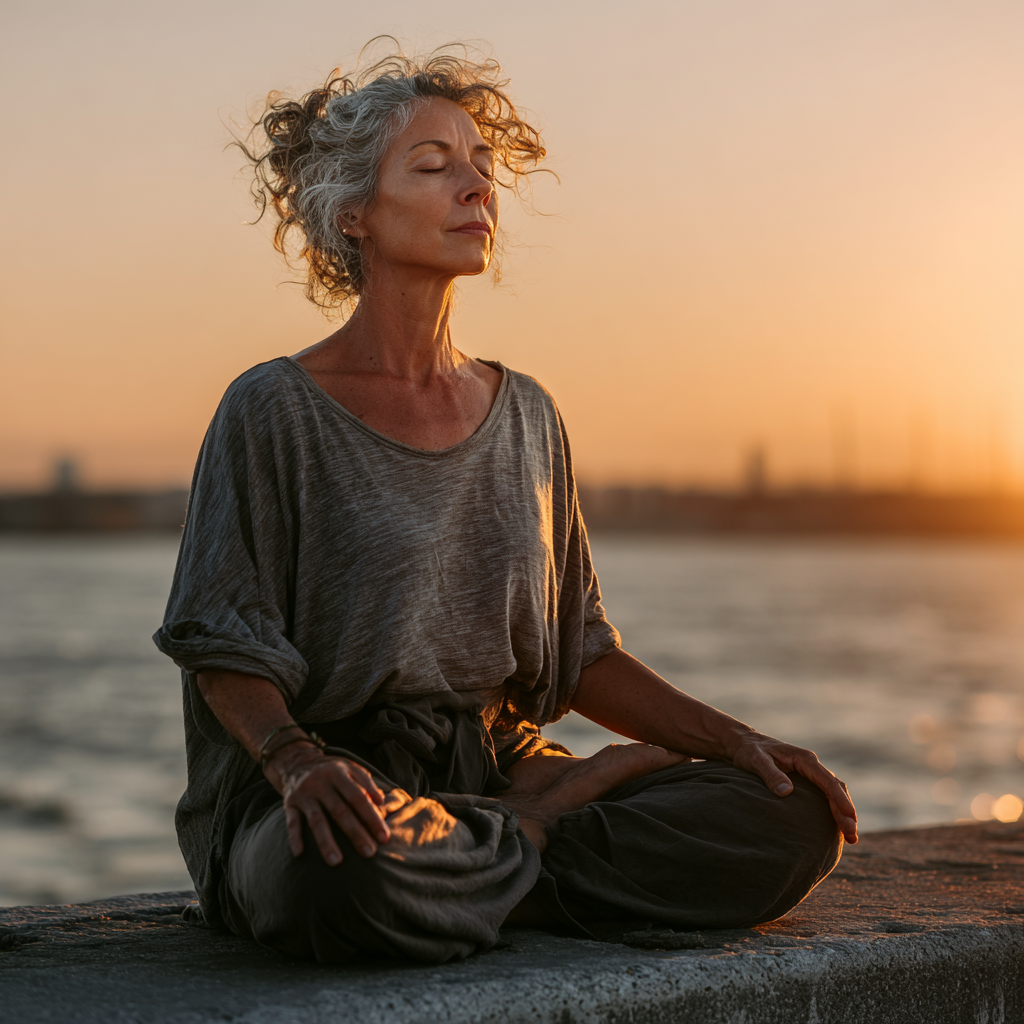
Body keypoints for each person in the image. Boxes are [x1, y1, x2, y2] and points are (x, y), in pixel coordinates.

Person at [154, 47, 857, 965]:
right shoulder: (273, 410)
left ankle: (487, 852)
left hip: (495, 764)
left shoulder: (526, 413)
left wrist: (739, 740)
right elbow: (220, 642)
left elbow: (582, 653)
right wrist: (297, 763)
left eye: (483, 165)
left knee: (789, 817)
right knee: (337, 871)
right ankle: (529, 837)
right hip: (330, 789)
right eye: (436, 167)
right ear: (354, 215)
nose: (476, 186)